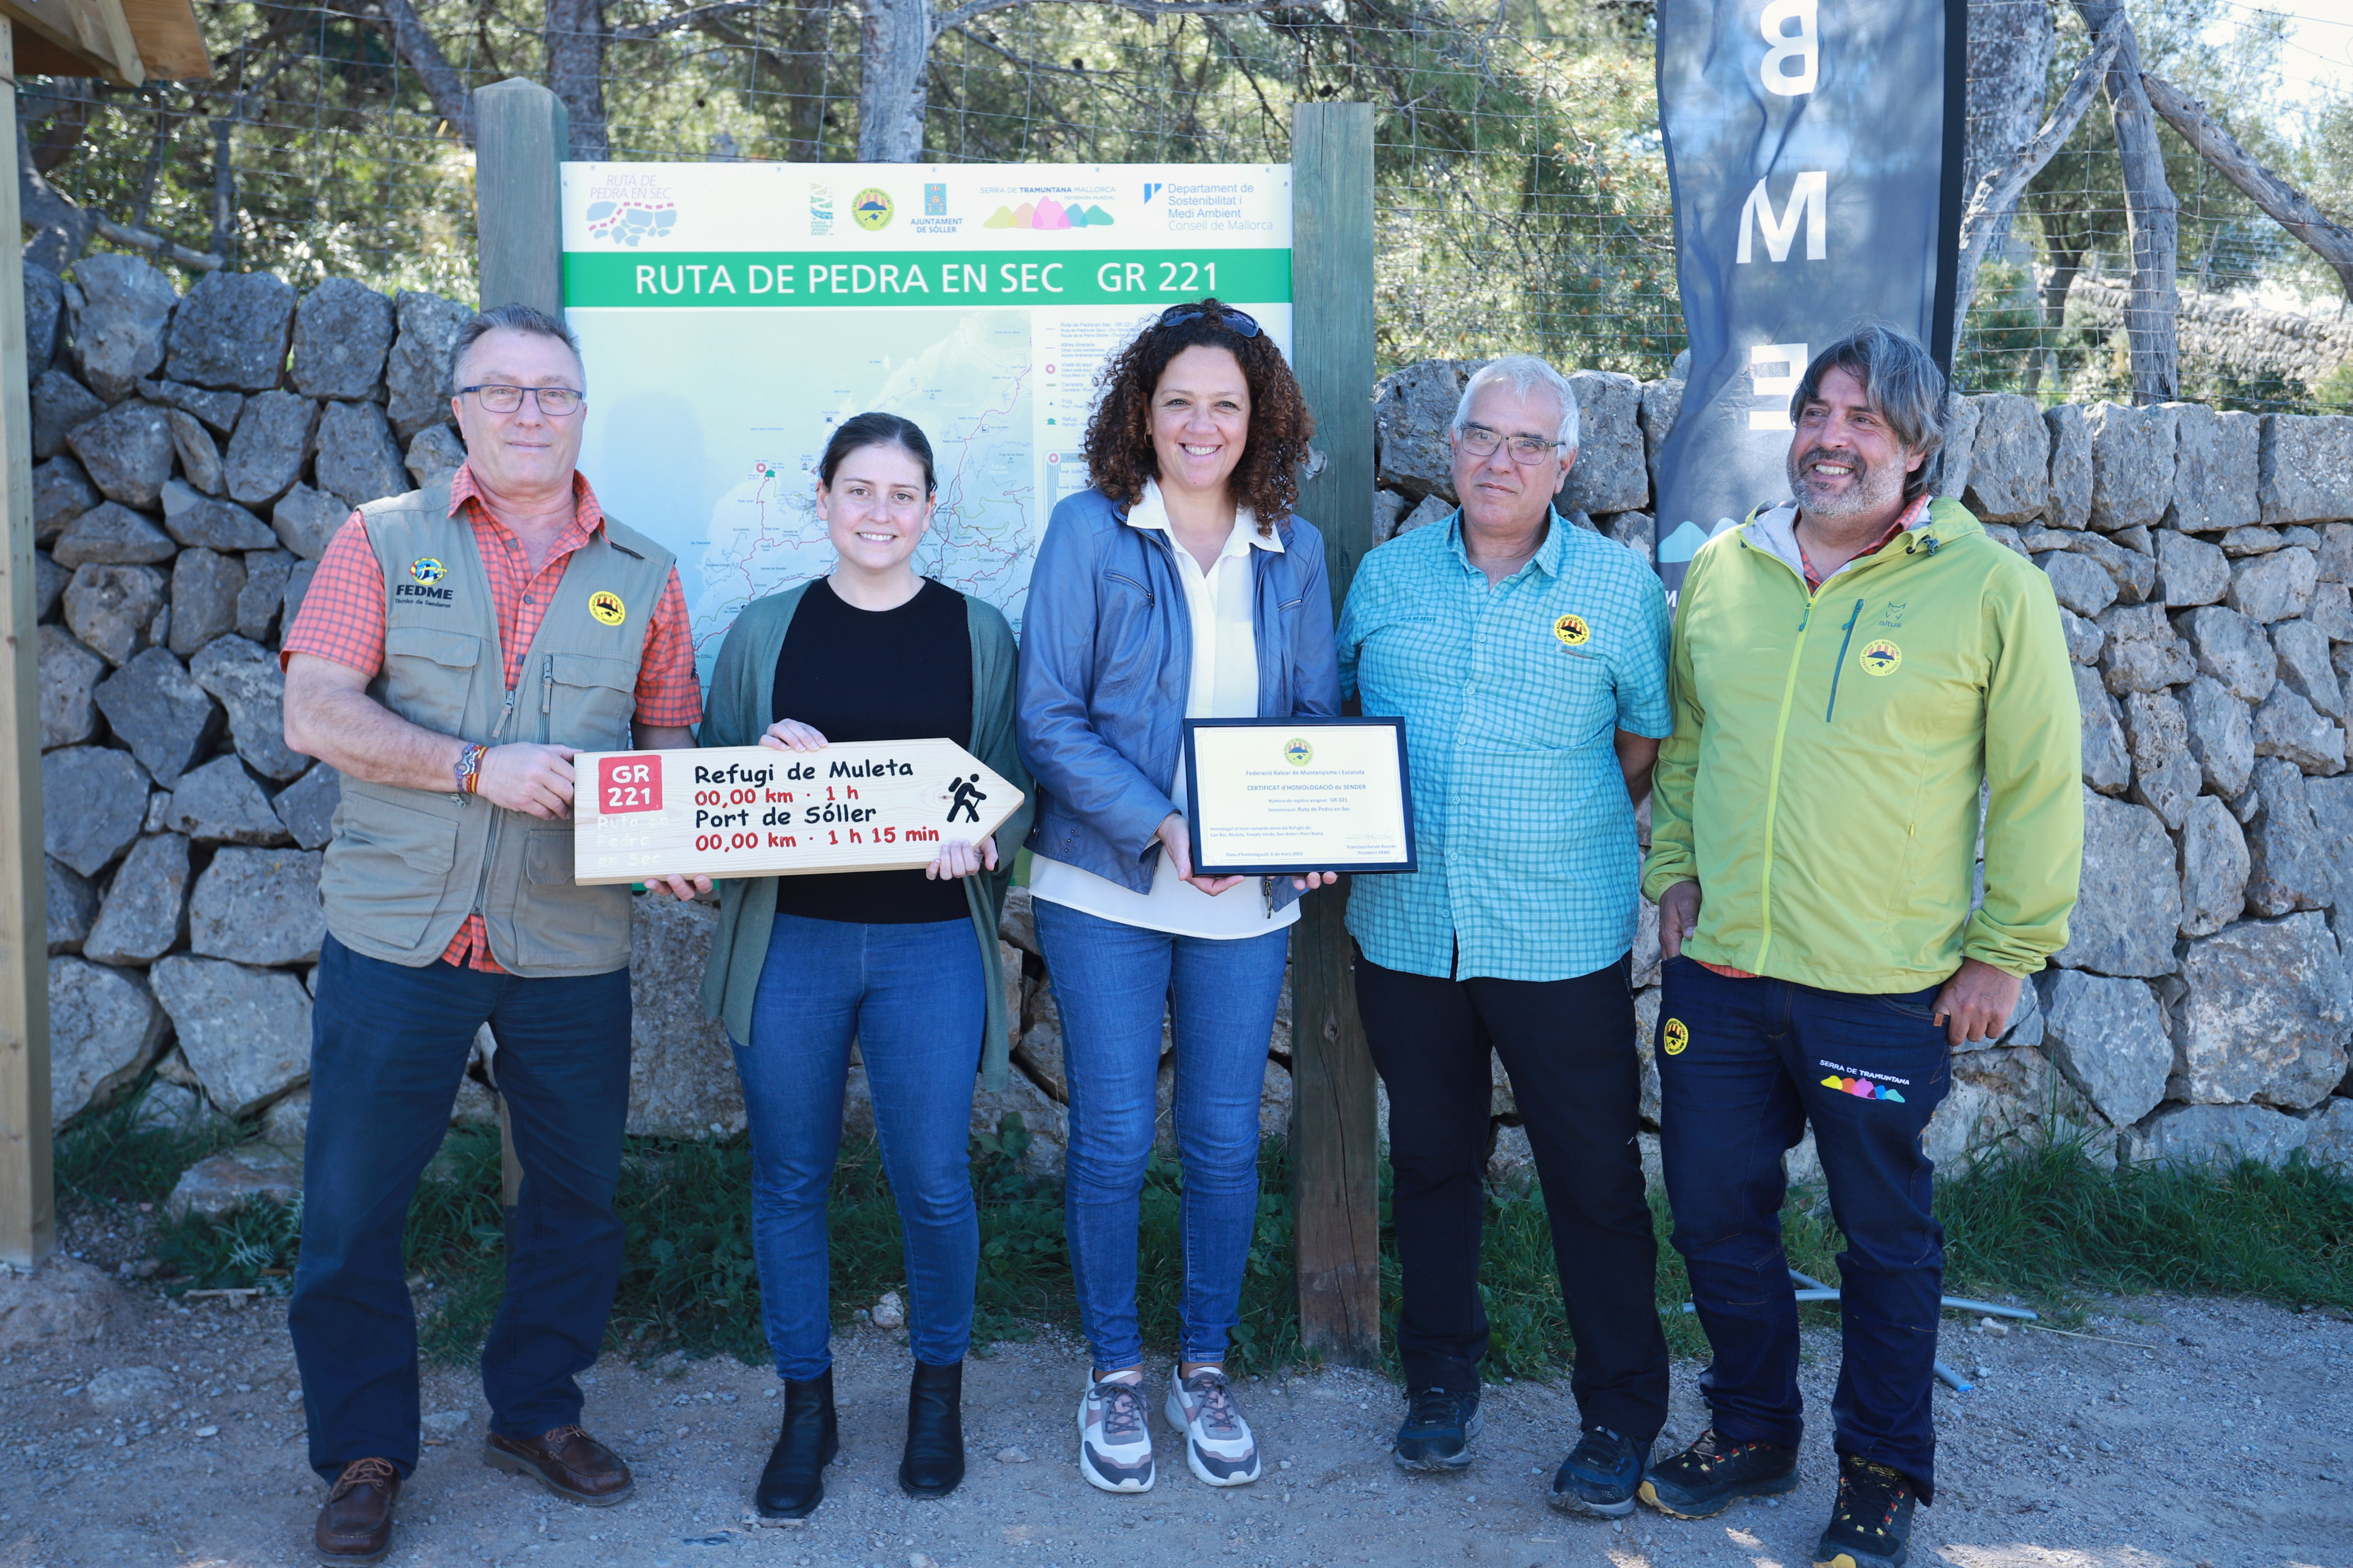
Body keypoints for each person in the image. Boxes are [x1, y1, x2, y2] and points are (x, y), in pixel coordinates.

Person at [1639, 325, 2082, 1568]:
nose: (1832, 439)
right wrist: (1672, 868)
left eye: (1865, 423)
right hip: (1721, 975)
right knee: (1718, 1215)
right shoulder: (1728, 571)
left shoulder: (1990, 589)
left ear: (1917, 448)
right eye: (1818, 413)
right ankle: (1751, 1429)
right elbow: (1685, 746)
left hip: (1882, 991)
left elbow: (2040, 784)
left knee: (1882, 1236)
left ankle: (1880, 1472)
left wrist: (2006, 950)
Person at [280, 304, 711, 1563]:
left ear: (582, 411)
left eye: (554, 392)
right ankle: (365, 1447)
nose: (530, 411)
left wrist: (675, 838)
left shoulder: (644, 573)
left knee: (575, 1202)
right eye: (503, 390)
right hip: (398, 932)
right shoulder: (380, 541)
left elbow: (666, 747)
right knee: (354, 1204)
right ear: (457, 407)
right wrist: (477, 766)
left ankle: (535, 1413)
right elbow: (316, 710)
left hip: (569, 940)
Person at [1335, 355, 1674, 1515]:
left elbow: (1641, 745)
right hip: (1406, 927)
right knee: (1431, 1162)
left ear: (1568, 464)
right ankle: (1439, 1383)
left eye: (1530, 445)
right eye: (1483, 435)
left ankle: (1620, 1413)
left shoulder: (1620, 594)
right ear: (1448, 445)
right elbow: (1337, 729)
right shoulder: (1383, 580)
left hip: (1555, 930)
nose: (1501, 460)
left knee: (1592, 1177)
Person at [1017, 300, 1339, 1493]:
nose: (1201, 425)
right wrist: (1160, 822)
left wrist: (1308, 830)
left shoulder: (1291, 548)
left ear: (1260, 420)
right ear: (1139, 414)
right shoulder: (1088, 532)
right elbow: (1047, 715)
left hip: (1244, 889)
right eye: (1178, 402)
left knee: (1217, 1136)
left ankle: (1203, 1365)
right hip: (1109, 878)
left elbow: (1311, 716)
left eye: (1226, 404)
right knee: (1108, 1134)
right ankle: (1113, 1375)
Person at [698, 412, 1032, 1519]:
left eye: (902, 493)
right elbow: (709, 780)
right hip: (790, 938)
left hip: (929, 944)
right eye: (859, 490)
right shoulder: (762, 631)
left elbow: (1010, 778)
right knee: (788, 1177)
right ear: (824, 499)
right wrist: (753, 761)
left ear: (930, 507)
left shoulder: (977, 631)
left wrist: (983, 833)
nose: (880, 512)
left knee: (932, 1180)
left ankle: (937, 1395)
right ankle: (808, 1406)